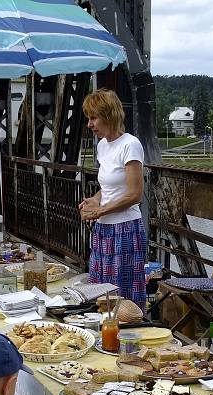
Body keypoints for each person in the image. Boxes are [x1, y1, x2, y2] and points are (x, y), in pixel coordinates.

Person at [78, 88, 147, 312]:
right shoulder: (102, 145)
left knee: (124, 295)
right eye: (89, 118)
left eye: (93, 117)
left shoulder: (130, 144)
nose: (90, 124)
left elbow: (135, 194)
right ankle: (104, 339)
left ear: (109, 115)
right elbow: (108, 187)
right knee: (101, 292)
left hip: (125, 229)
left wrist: (101, 211)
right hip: (103, 230)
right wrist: (94, 201)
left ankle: (132, 339)